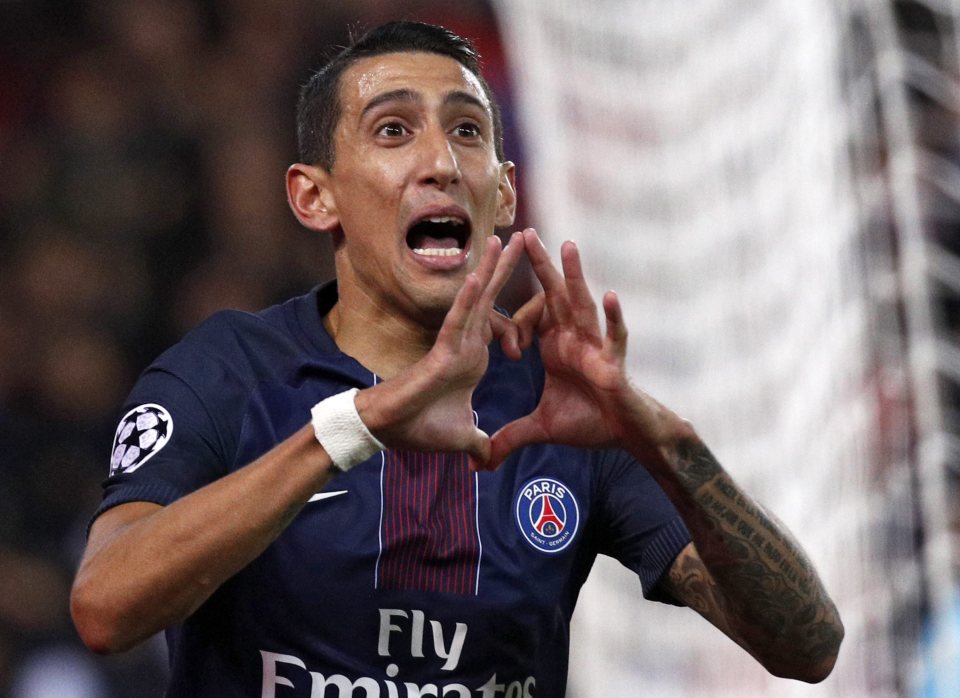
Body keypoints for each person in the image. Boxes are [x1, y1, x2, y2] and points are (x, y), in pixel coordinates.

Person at [70, 21, 844, 697]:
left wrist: (664, 439)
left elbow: (809, 648)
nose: (441, 161)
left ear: (504, 195)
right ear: (316, 197)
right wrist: (359, 424)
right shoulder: (230, 374)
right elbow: (105, 608)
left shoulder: (560, 408)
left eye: (467, 131)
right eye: (393, 131)